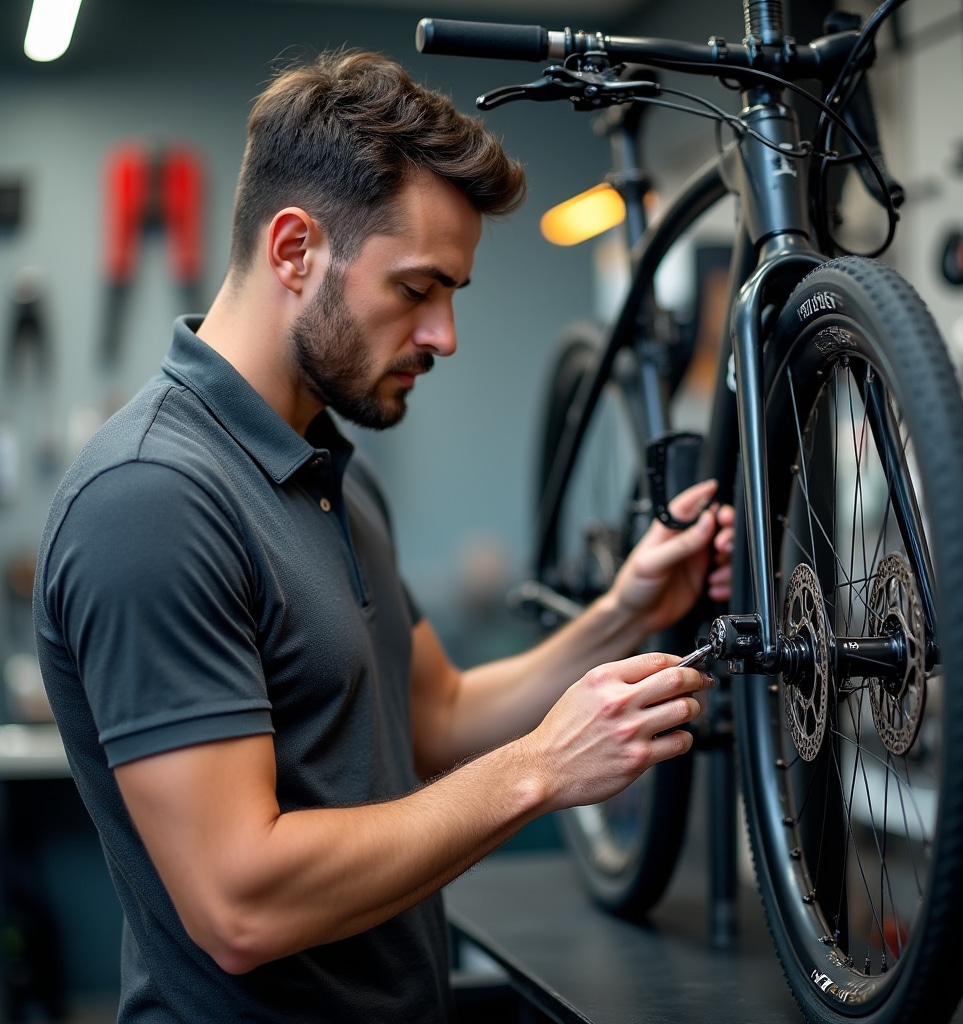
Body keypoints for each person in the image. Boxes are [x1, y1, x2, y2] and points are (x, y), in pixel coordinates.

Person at [33, 48, 734, 1022]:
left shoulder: (331, 468)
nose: (444, 335)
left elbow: (434, 715)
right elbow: (241, 902)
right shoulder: (151, 497)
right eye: (416, 289)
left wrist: (625, 611)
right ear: (294, 250)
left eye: (453, 295)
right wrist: (540, 770)